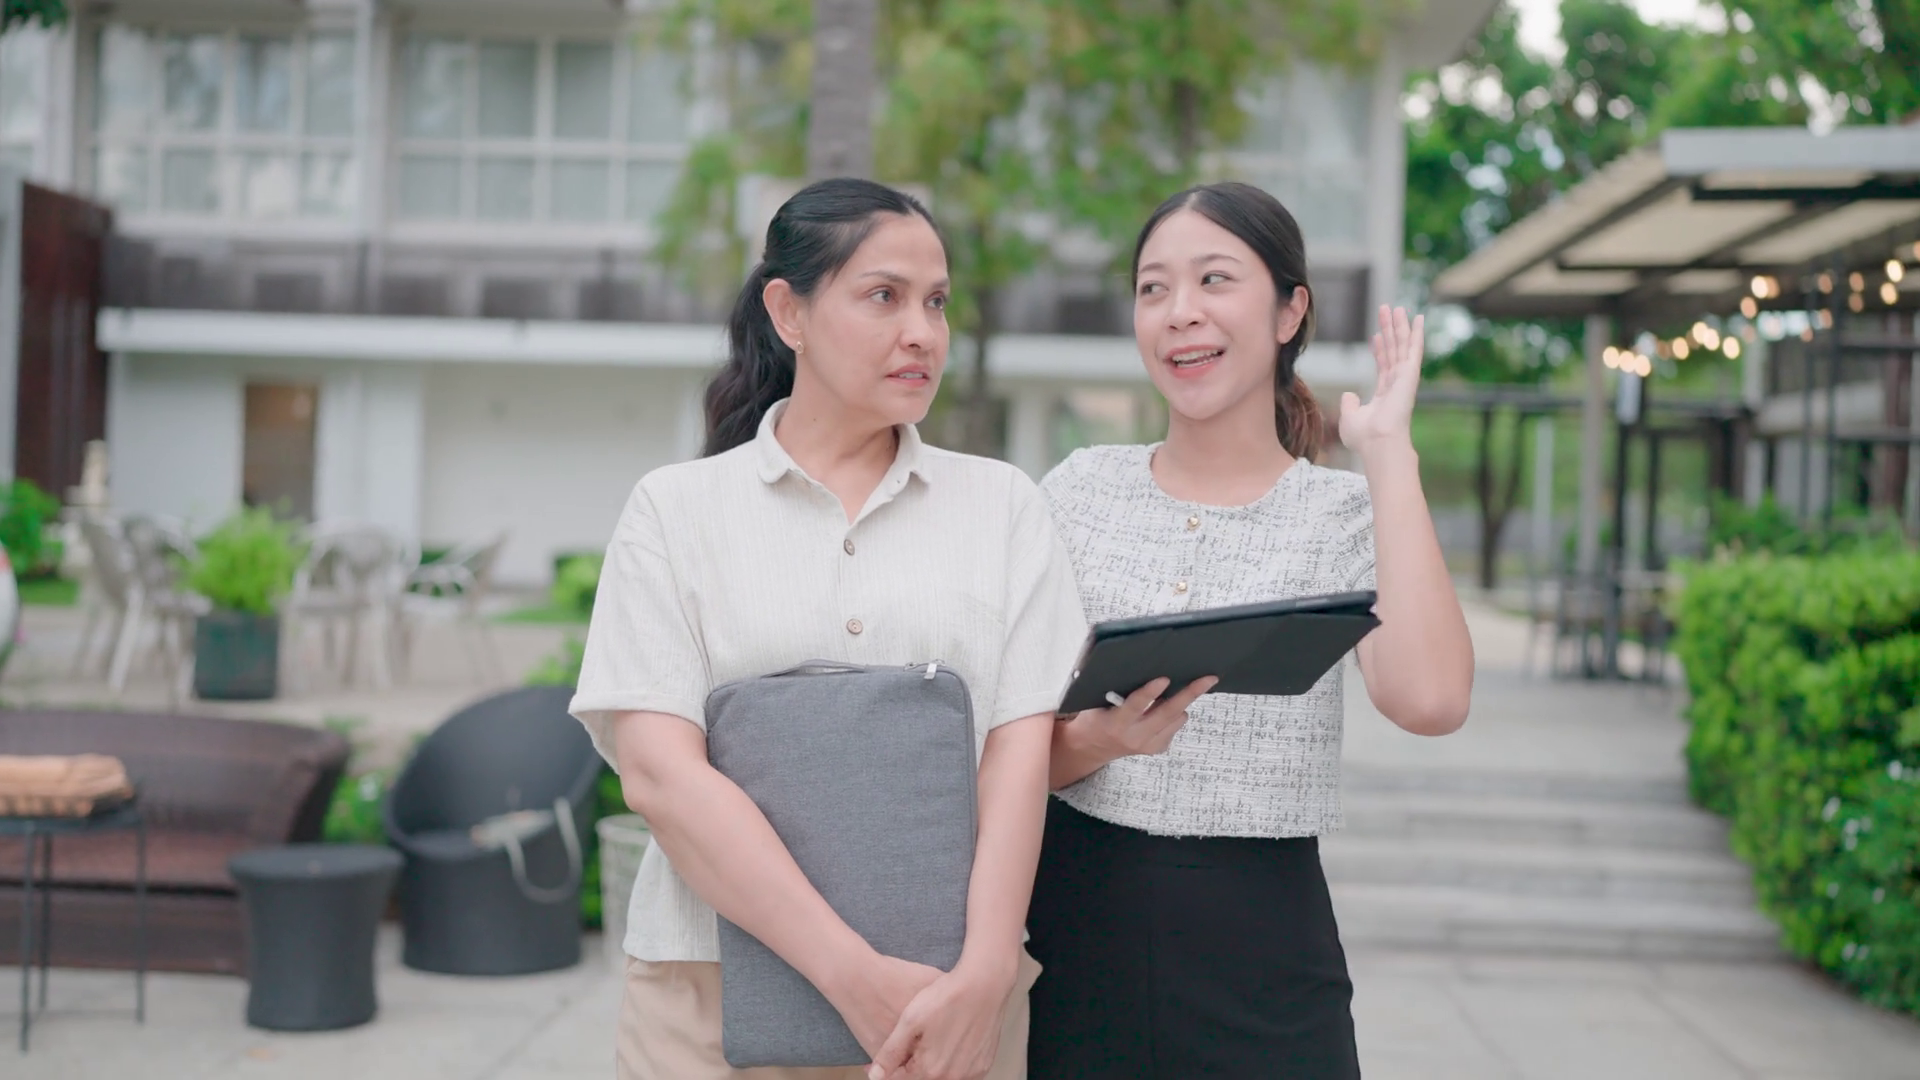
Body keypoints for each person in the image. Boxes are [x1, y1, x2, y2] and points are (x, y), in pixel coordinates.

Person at [567, 177, 1088, 1080]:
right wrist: (851, 976)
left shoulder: (1003, 505)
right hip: (707, 994)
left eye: (936, 303)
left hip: (948, 1004)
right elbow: (659, 775)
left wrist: (988, 972)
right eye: (884, 296)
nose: (921, 332)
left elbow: (1017, 754)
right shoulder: (674, 511)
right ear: (789, 312)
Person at [1026, 181, 1475, 1079]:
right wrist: (1100, 741)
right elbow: (1000, 747)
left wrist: (1388, 452)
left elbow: (1429, 701)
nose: (1179, 313)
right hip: (1072, 941)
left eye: (1214, 279)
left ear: (1289, 311)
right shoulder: (1077, 492)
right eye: (1153, 288)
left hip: (1267, 958)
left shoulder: (1342, 514)